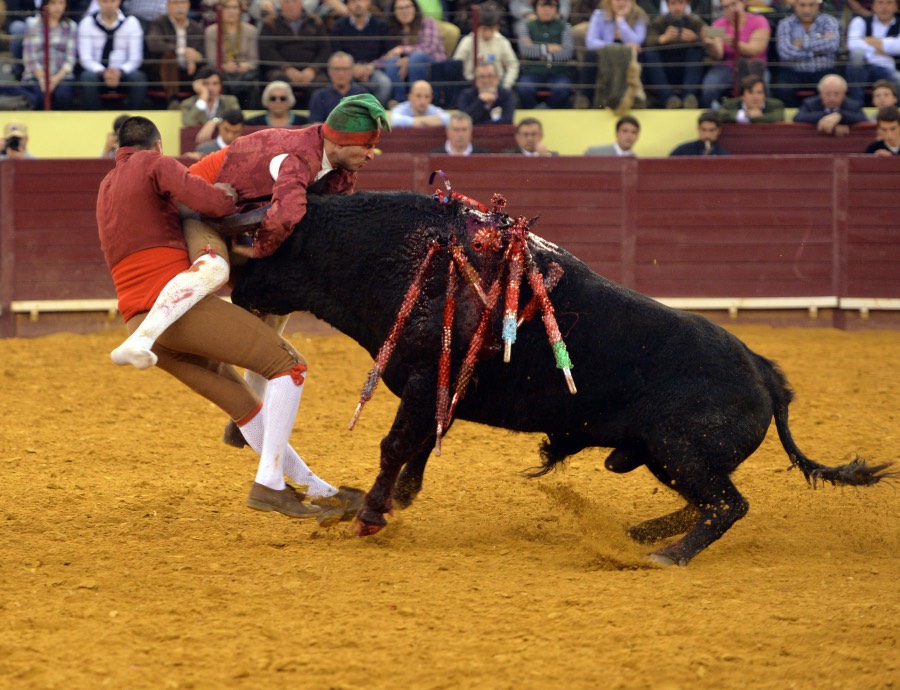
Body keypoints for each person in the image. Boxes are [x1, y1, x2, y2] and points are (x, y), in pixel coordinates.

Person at [97, 115, 331, 519]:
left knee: (245, 406)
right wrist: (225, 196)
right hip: (177, 308)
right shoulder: (156, 164)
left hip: (138, 319)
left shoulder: (104, 187)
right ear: (157, 144)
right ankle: (270, 485)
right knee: (288, 367)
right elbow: (212, 202)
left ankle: (319, 490)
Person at [112, 94, 389, 374]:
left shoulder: (342, 170)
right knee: (214, 268)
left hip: (236, 220)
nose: (370, 154)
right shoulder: (300, 155)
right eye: (366, 146)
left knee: (276, 306)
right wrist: (258, 249)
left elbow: (323, 222)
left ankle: (260, 392)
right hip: (200, 207)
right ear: (340, 141)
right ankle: (141, 339)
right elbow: (285, 215)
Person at [258, 0, 331, 108]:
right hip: (280, 70)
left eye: (295, 1)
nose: (291, 5)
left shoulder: (315, 22)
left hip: (311, 71)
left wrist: (312, 69)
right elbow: (267, 51)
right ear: (281, 5)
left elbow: (324, 49)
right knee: (278, 81)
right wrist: (286, 68)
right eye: (287, 2)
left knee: (321, 83)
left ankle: (316, 118)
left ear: (301, 4)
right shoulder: (270, 23)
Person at [77, 0, 147, 110]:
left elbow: (135, 58)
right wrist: (103, 72)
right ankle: (93, 118)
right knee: (86, 77)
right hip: (97, 73)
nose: (109, 5)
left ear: (119, 1)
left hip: (124, 73)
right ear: (98, 2)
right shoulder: (87, 23)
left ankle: (133, 121)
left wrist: (120, 71)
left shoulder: (131, 22)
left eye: (113, 1)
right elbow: (85, 58)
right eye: (105, 1)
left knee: (139, 78)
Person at [700, 0, 770, 109]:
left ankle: (763, 116)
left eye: (734, 4)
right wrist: (710, 45)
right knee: (709, 87)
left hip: (753, 66)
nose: (730, 9)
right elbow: (718, 55)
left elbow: (755, 50)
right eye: (725, 7)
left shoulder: (760, 21)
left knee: (764, 83)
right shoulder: (718, 24)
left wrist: (736, 44)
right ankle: (712, 116)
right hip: (726, 67)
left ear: (743, 3)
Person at [375, 0, 447, 105]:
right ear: (393, 11)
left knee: (416, 58)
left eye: (408, 7)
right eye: (400, 8)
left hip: (433, 63)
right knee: (391, 62)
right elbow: (389, 54)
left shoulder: (427, 22)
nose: (404, 11)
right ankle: (401, 102)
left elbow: (429, 48)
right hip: (407, 64)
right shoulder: (393, 28)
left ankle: (417, 102)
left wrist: (403, 50)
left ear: (415, 8)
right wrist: (371, 66)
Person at [580, 0, 648, 112]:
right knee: (590, 55)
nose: (621, 3)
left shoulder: (639, 15)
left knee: (643, 56)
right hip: (605, 54)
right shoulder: (599, 14)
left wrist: (620, 21)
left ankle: (636, 98)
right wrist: (615, 47)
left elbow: (637, 41)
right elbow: (590, 42)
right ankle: (585, 98)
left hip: (631, 56)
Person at [774, 0, 840, 107]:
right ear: (795, 5)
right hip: (793, 72)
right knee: (782, 88)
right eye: (802, 5)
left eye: (811, 5)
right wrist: (815, 52)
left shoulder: (829, 21)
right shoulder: (785, 24)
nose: (807, 10)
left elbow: (832, 44)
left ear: (818, 6)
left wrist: (802, 44)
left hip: (823, 70)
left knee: (831, 87)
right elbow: (785, 52)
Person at [641, 0, 706, 109]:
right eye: (673, 3)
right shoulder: (658, 21)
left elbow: (714, 32)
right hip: (665, 69)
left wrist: (696, 38)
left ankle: (688, 97)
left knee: (696, 50)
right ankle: (668, 98)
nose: (677, 8)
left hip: (687, 69)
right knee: (649, 53)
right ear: (668, 5)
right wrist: (662, 39)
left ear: (686, 4)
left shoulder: (694, 21)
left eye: (680, 3)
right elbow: (646, 41)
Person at [329, 0, 393, 105]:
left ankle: (371, 113)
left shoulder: (381, 25)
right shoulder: (338, 27)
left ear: (369, 2)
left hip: (373, 70)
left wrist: (372, 67)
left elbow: (388, 53)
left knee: (384, 83)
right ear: (348, 5)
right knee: (341, 82)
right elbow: (335, 52)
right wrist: (351, 68)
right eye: (353, 1)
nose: (358, 4)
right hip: (347, 70)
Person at [515, 0, 575, 109]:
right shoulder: (525, 25)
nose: (546, 9)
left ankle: (548, 111)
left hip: (557, 73)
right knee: (524, 88)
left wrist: (539, 52)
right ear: (536, 7)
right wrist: (547, 48)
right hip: (532, 72)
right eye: (542, 5)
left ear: (556, 8)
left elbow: (567, 53)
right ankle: (533, 112)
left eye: (551, 5)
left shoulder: (565, 26)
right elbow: (525, 50)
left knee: (562, 89)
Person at [19, 0, 77, 110]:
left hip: (62, 76)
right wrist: (42, 78)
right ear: (45, 5)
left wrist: (55, 79)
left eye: (61, 3)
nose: (58, 7)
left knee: (63, 95)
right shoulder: (32, 24)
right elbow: (29, 57)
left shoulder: (71, 26)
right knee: (38, 96)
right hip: (35, 76)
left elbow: (70, 59)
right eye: (53, 3)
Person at [145, 0, 206, 105]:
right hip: (162, 73)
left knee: (207, 68)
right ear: (168, 6)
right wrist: (181, 51)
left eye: (183, 3)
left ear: (188, 6)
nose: (179, 6)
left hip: (189, 72)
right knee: (169, 58)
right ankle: (173, 101)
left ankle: (204, 103)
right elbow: (154, 44)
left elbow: (203, 52)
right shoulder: (159, 23)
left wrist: (196, 56)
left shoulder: (196, 27)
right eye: (176, 3)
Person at [204, 0, 259, 109]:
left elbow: (254, 60)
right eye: (227, 8)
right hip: (222, 72)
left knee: (253, 83)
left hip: (245, 73)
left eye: (234, 8)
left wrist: (246, 65)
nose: (231, 11)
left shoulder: (251, 30)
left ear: (240, 11)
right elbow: (211, 60)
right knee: (220, 79)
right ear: (220, 10)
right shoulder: (211, 31)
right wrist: (223, 66)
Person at [453, 2, 520, 91]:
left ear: (497, 27)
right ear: (477, 27)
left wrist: (506, 85)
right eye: (484, 29)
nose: (487, 33)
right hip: (471, 85)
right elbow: (456, 64)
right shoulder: (468, 41)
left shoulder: (502, 42)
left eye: (491, 29)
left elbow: (513, 65)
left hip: (497, 86)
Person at [845, 0, 900, 105]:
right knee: (856, 57)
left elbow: (898, 47)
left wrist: (869, 40)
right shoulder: (860, 21)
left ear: (896, 7)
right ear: (873, 6)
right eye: (880, 2)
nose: (884, 7)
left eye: (889, 3)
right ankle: (857, 106)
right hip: (863, 67)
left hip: (889, 69)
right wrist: (883, 49)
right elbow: (852, 44)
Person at [793, 73, 868, 136]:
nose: (832, 98)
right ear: (821, 93)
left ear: (844, 94)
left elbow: (862, 119)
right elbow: (798, 118)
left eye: (837, 94)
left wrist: (840, 116)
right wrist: (829, 117)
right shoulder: (809, 103)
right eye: (828, 94)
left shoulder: (853, 105)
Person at [308, 51, 368, 124]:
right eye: (337, 69)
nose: (341, 73)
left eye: (345, 69)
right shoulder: (319, 96)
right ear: (329, 71)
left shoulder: (362, 95)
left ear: (352, 71)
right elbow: (315, 125)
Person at [456, 60, 516, 125]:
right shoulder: (466, 95)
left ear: (497, 79)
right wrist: (481, 101)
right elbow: (464, 121)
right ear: (476, 81)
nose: (486, 80)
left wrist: (479, 123)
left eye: (490, 76)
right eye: (482, 77)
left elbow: (507, 121)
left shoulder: (507, 95)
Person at [719, 74, 784, 123]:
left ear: (764, 95)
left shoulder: (776, 104)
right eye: (750, 92)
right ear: (742, 96)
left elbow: (777, 117)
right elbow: (720, 116)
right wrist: (745, 114)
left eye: (759, 92)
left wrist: (749, 117)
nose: (755, 97)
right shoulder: (730, 104)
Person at [244, 80, 308, 127]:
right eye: (273, 98)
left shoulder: (304, 123)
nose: (278, 102)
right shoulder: (252, 123)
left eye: (282, 98)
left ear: (290, 100)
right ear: (266, 100)